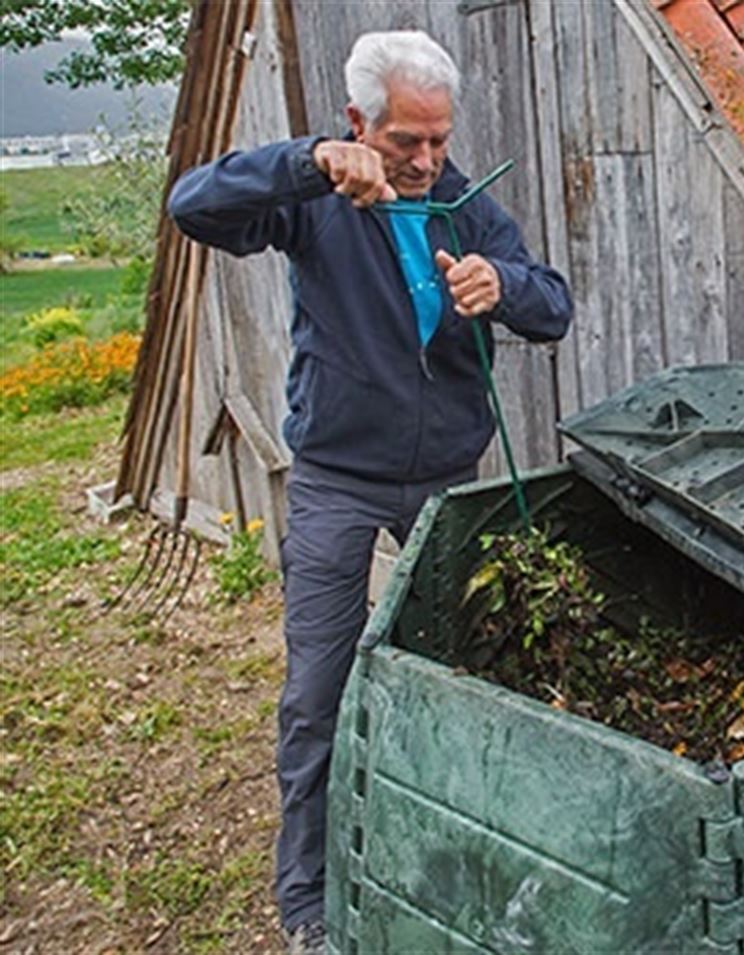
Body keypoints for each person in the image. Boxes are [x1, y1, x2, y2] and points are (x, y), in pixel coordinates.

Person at [168, 30, 572, 955]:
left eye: (439, 139)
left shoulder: (463, 204)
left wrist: (500, 283)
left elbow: (554, 306)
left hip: (444, 480)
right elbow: (195, 206)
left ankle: (447, 844)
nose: (428, 162)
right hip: (338, 480)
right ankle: (308, 901)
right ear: (360, 124)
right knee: (319, 687)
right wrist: (309, 164)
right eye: (406, 144)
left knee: (463, 673)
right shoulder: (316, 198)